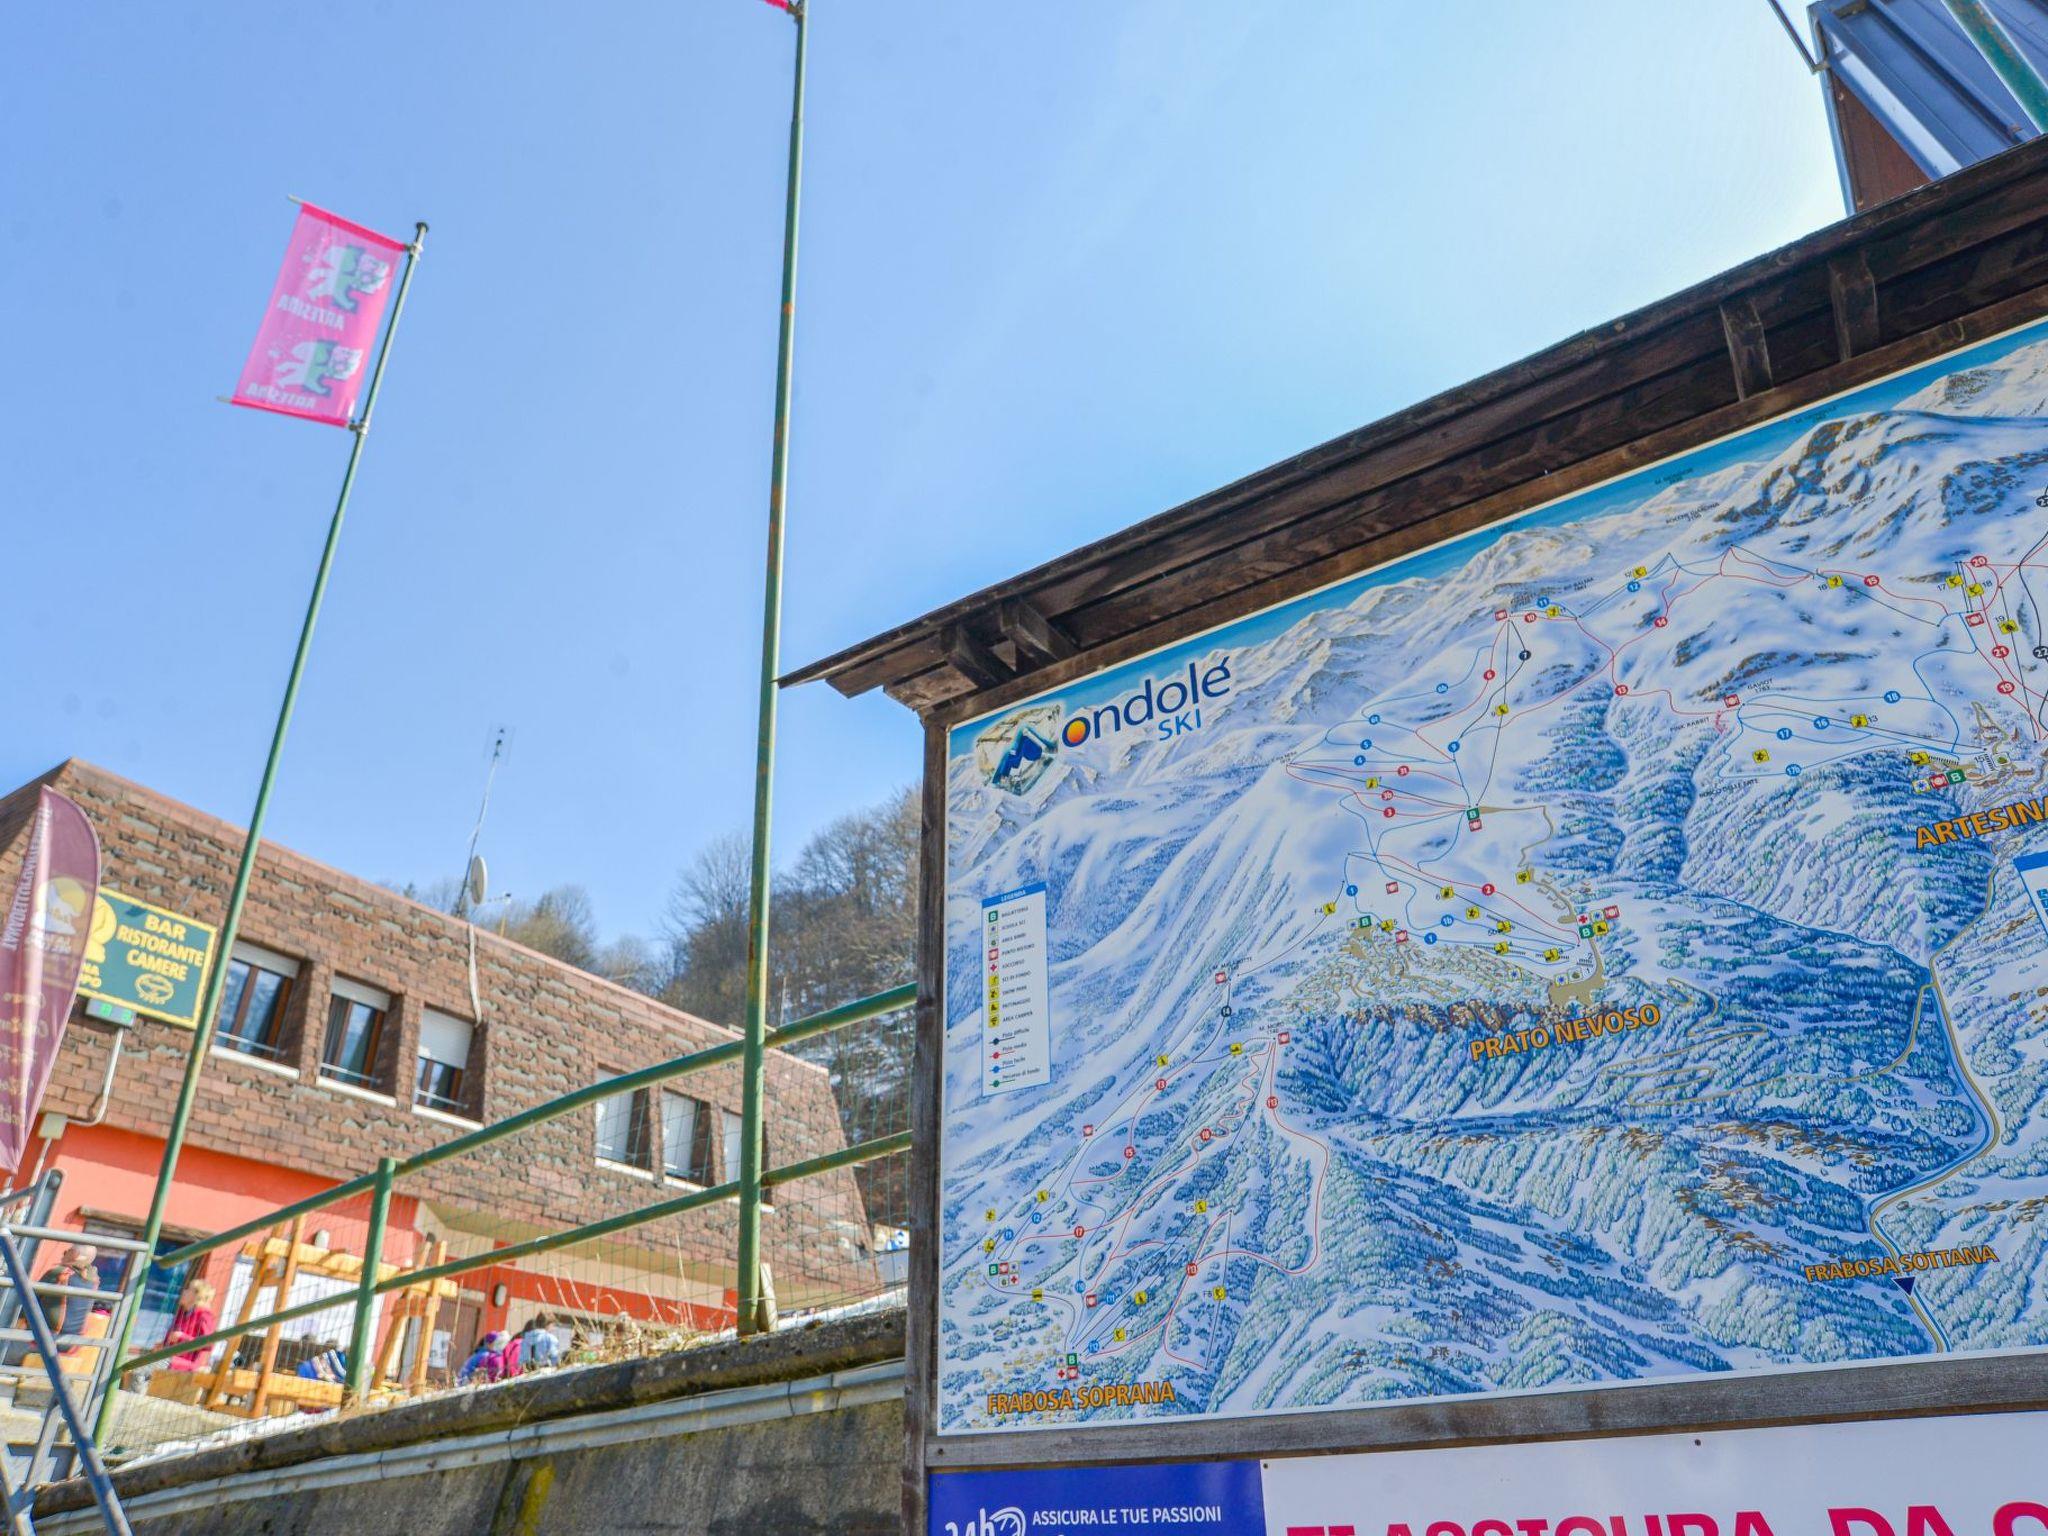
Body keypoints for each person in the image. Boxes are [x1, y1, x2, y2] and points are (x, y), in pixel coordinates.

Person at [34, 1245, 98, 1355]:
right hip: (71, 1344)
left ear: (74, 1255)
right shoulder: (93, 1281)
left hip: (45, 1339)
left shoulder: (60, 1273)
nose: (63, 1254)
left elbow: (28, 1299)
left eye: (66, 1252)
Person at [160, 1279, 217, 1372]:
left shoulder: (204, 1315)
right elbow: (172, 1338)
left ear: (197, 1296)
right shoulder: (182, 1313)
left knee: (155, 1363)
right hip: (170, 1359)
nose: (183, 1291)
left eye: (188, 1289)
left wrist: (182, 1337)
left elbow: (209, 1344)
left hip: (186, 1365)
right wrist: (162, 1344)